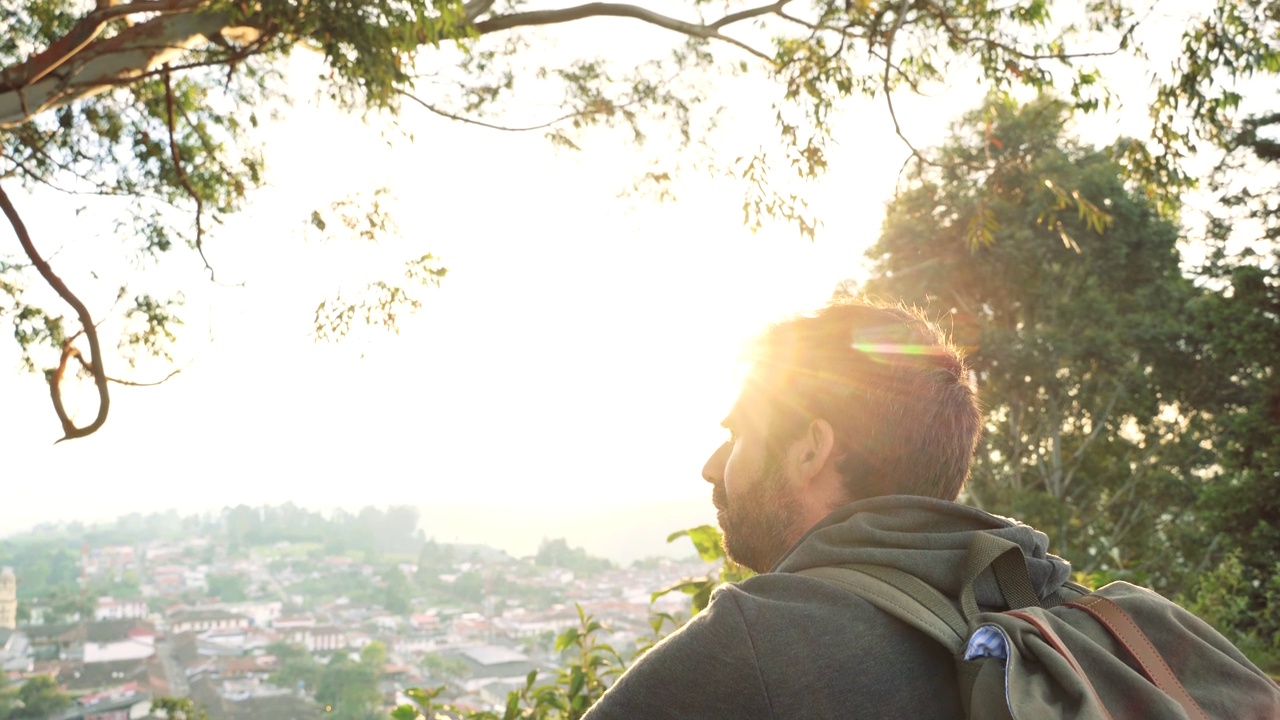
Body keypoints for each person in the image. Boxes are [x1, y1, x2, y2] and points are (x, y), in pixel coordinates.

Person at [578, 298, 1202, 718]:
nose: (714, 466)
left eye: (739, 434)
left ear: (810, 449)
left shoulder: (756, 641)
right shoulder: (1056, 611)